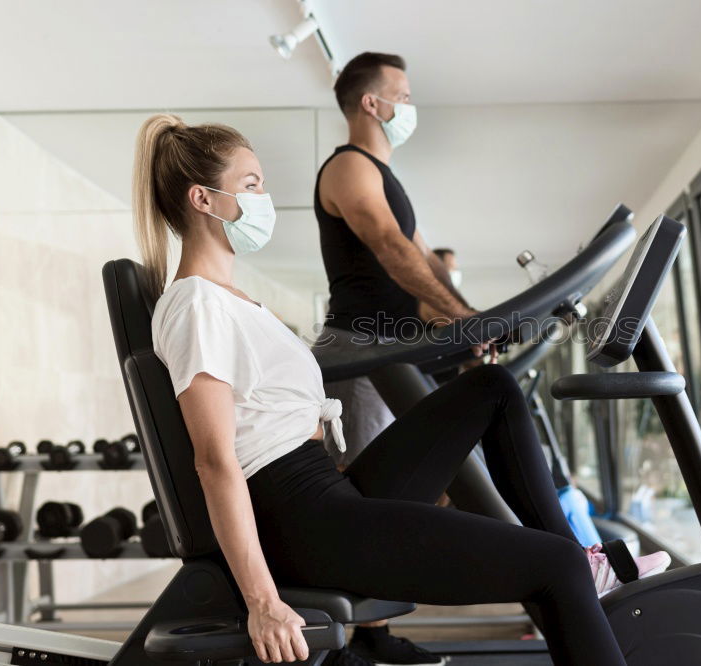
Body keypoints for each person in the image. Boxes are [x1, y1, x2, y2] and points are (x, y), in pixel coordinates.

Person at [133, 113, 670, 666]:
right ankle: (575, 568)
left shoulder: (234, 299)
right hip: (304, 520)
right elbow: (214, 460)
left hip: (326, 492)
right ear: (203, 198)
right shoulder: (198, 305)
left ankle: (587, 562)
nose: (265, 197)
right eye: (252, 185)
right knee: (551, 569)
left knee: (490, 387)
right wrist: (262, 601)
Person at [312, 52, 478, 472]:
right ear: (372, 104)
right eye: (401, 97)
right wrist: (463, 319)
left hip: (389, 350)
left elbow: (424, 256)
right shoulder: (349, 165)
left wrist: (469, 317)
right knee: (360, 486)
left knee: (414, 474)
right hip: (356, 347)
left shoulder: (384, 177)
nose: (408, 107)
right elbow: (389, 245)